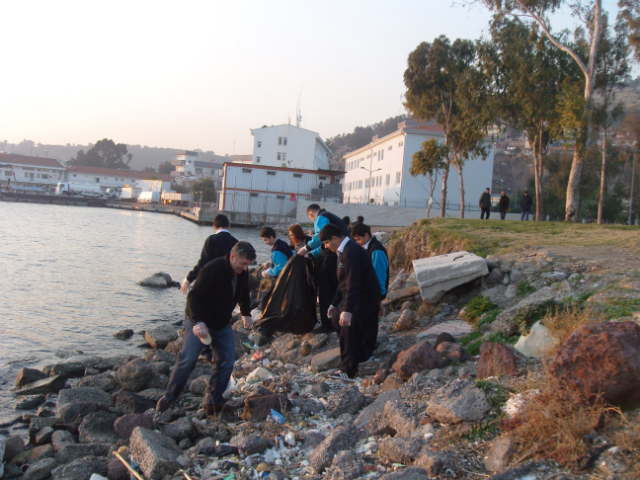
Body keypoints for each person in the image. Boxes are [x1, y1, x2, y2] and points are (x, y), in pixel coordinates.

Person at [157, 242, 256, 415]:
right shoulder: (212, 269)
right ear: (233, 257)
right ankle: (169, 397)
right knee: (188, 358)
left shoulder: (242, 272)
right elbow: (193, 296)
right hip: (200, 319)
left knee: (227, 360)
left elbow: (243, 292)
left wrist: (246, 314)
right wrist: (197, 322)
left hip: (222, 322)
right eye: (243, 263)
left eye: (248, 264)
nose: (245, 268)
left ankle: (214, 400)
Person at [319, 224, 381, 379]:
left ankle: (349, 369)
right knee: (335, 318)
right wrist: (334, 303)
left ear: (334, 238)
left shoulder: (351, 251)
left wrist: (347, 310)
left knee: (345, 324)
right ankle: (357, 352)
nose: (326, 247)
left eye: (326, 243)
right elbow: (343, 281)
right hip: (354, 295)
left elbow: (353, 282)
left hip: (364, 298)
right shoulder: (344, 251)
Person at [297, 204, 350, 333]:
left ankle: (327, 324)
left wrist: (305, 249)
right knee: (335, 290)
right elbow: (325, 245)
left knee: (326, 291)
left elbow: (320, 238)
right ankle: (336, 320)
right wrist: (312, 254)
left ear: (311, 215)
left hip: (333, 259)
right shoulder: (331, 217)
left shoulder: (321, 218)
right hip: (340, 256)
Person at [181, 214, 238, 294]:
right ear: (228, 226)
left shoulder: (211, 240)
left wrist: (189, 279)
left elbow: (203, 262)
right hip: (229, 284)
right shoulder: (236, 242)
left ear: (214, 226)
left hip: (212, 282)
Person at [350, 223, 389, 300]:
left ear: (366, 235)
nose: (357, 242)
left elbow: (379, 274)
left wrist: (380, 296)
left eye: (358, 239)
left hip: (374, 295)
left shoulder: (376, 250)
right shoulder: (368, 247)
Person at [259, 226, 294, 309]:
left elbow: (280, 268)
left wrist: (267, 272)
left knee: (266, 298)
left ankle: (265, 316)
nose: (265, 242)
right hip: (290, 276)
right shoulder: (283, 243)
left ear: (271, 237)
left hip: (282, 278)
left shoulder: (276, 250)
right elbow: (292, 255)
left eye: (265, 240)